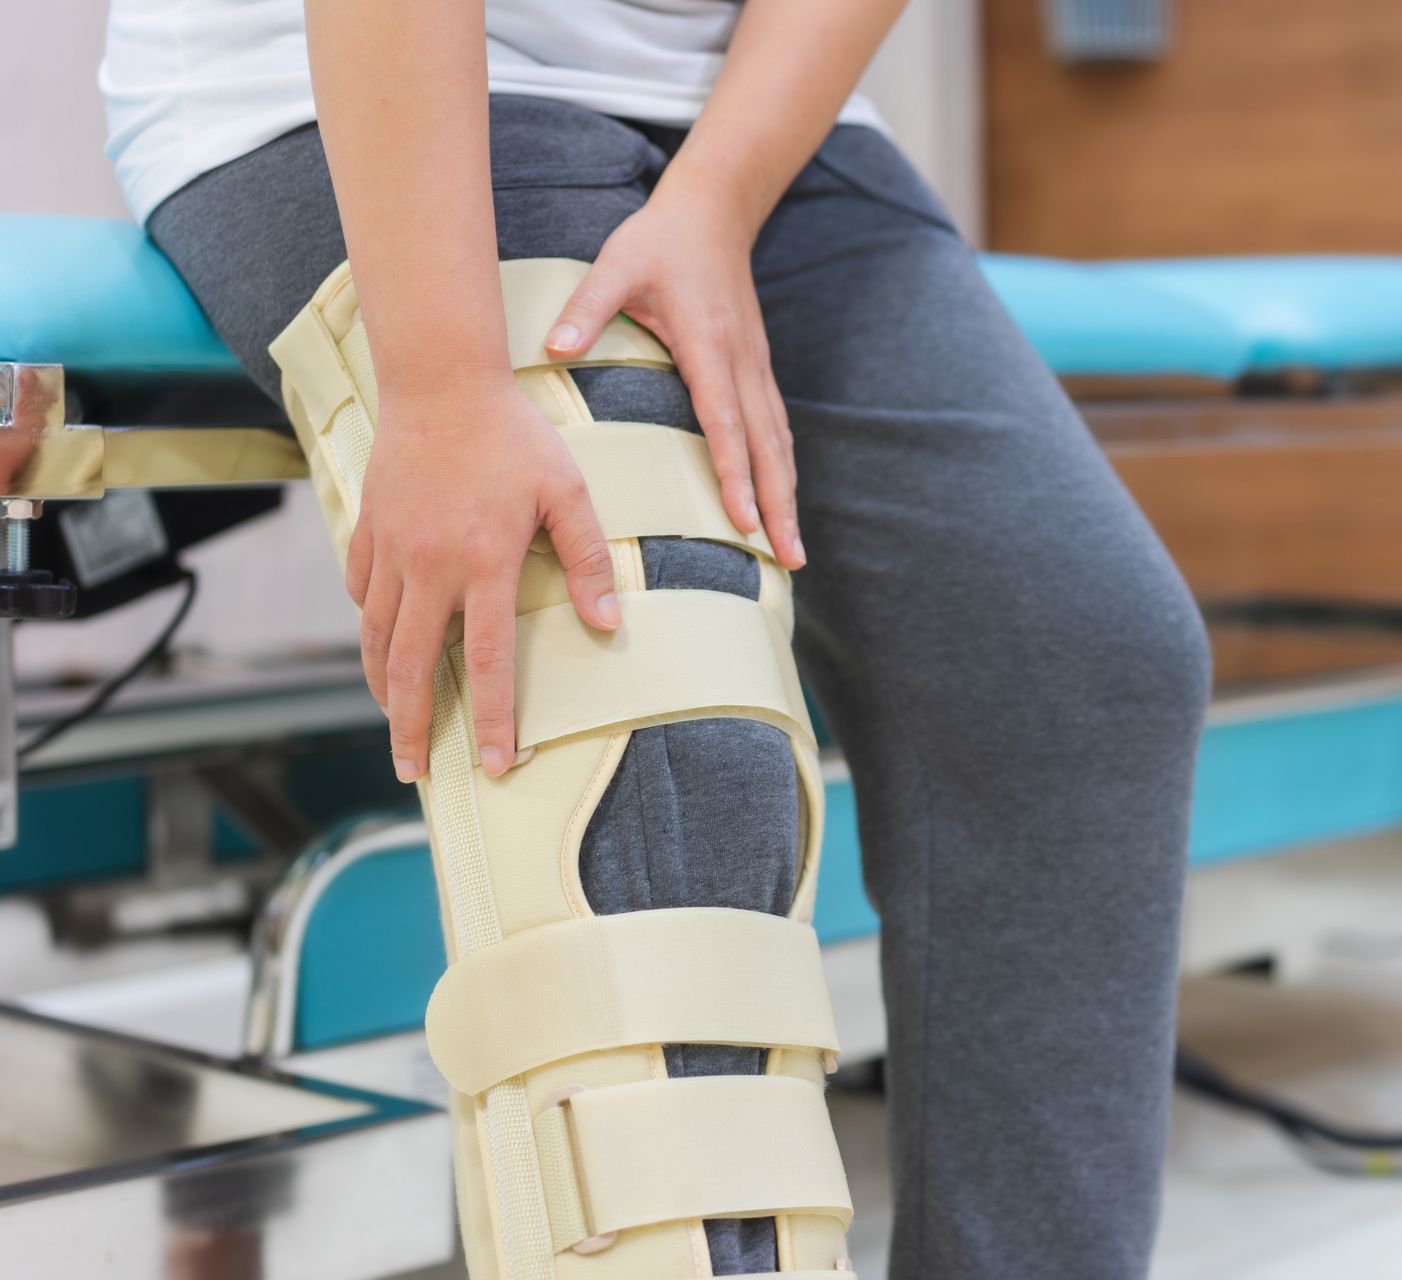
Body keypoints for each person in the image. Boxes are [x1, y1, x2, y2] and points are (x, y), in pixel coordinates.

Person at [102, 2, 1211, 1276]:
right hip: (369, 86)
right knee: (653, 731)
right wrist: (446, 388)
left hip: (743, 103)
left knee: (1082, 661)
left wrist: (718, 201)